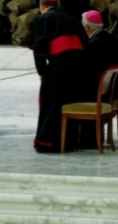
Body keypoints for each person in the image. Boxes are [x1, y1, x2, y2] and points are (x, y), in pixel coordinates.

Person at [31, 0, 89, 153]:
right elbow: (85, 42)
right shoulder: (72, 19)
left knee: (52, 100)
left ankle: (49, 142)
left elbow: (40, 48)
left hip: (60, 65)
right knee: (69, 100)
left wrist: (42, 72)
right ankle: (69, 141)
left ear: (42, 7)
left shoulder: (43, 19)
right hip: (78, 66)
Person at [79, 10, 118, 148]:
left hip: (96, 91)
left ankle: (82, 139)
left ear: (87, 27)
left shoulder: (94, 43)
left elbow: (88, 71)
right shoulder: (109, 38)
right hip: (110, 91)